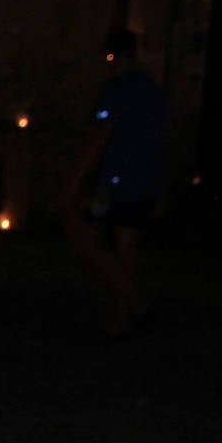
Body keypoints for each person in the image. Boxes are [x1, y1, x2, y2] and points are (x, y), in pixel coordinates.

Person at [63, 29, 170, 335]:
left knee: (86, 241)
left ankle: (130, 300)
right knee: (125, 245)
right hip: (144, 180)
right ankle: (119, 318)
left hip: (114, 182)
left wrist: (75, 180)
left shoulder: (118, 91)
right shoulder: (156, 91)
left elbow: (101, 137)